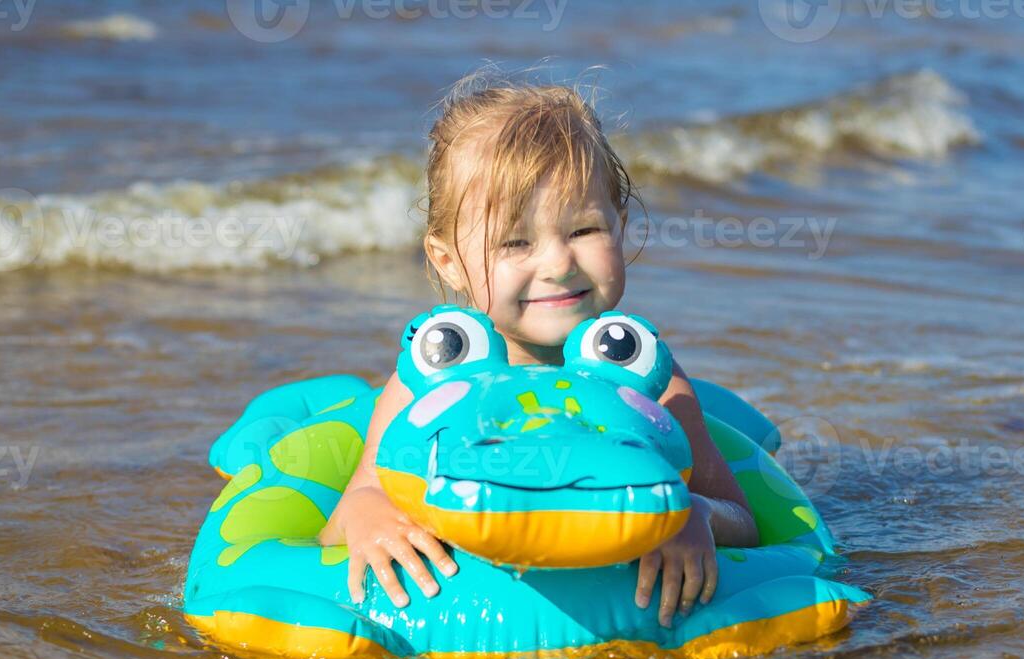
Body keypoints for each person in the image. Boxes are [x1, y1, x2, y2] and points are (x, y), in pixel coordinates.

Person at [318, 70, 758, 628]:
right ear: (446, 259)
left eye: (583, 231)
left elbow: (744, 517)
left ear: (620, 227)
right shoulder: (428, 386)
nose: (557, 264)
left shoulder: (655, 389)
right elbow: (351, 507)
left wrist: (694, 517)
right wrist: (369, 517)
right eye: (515, 242)